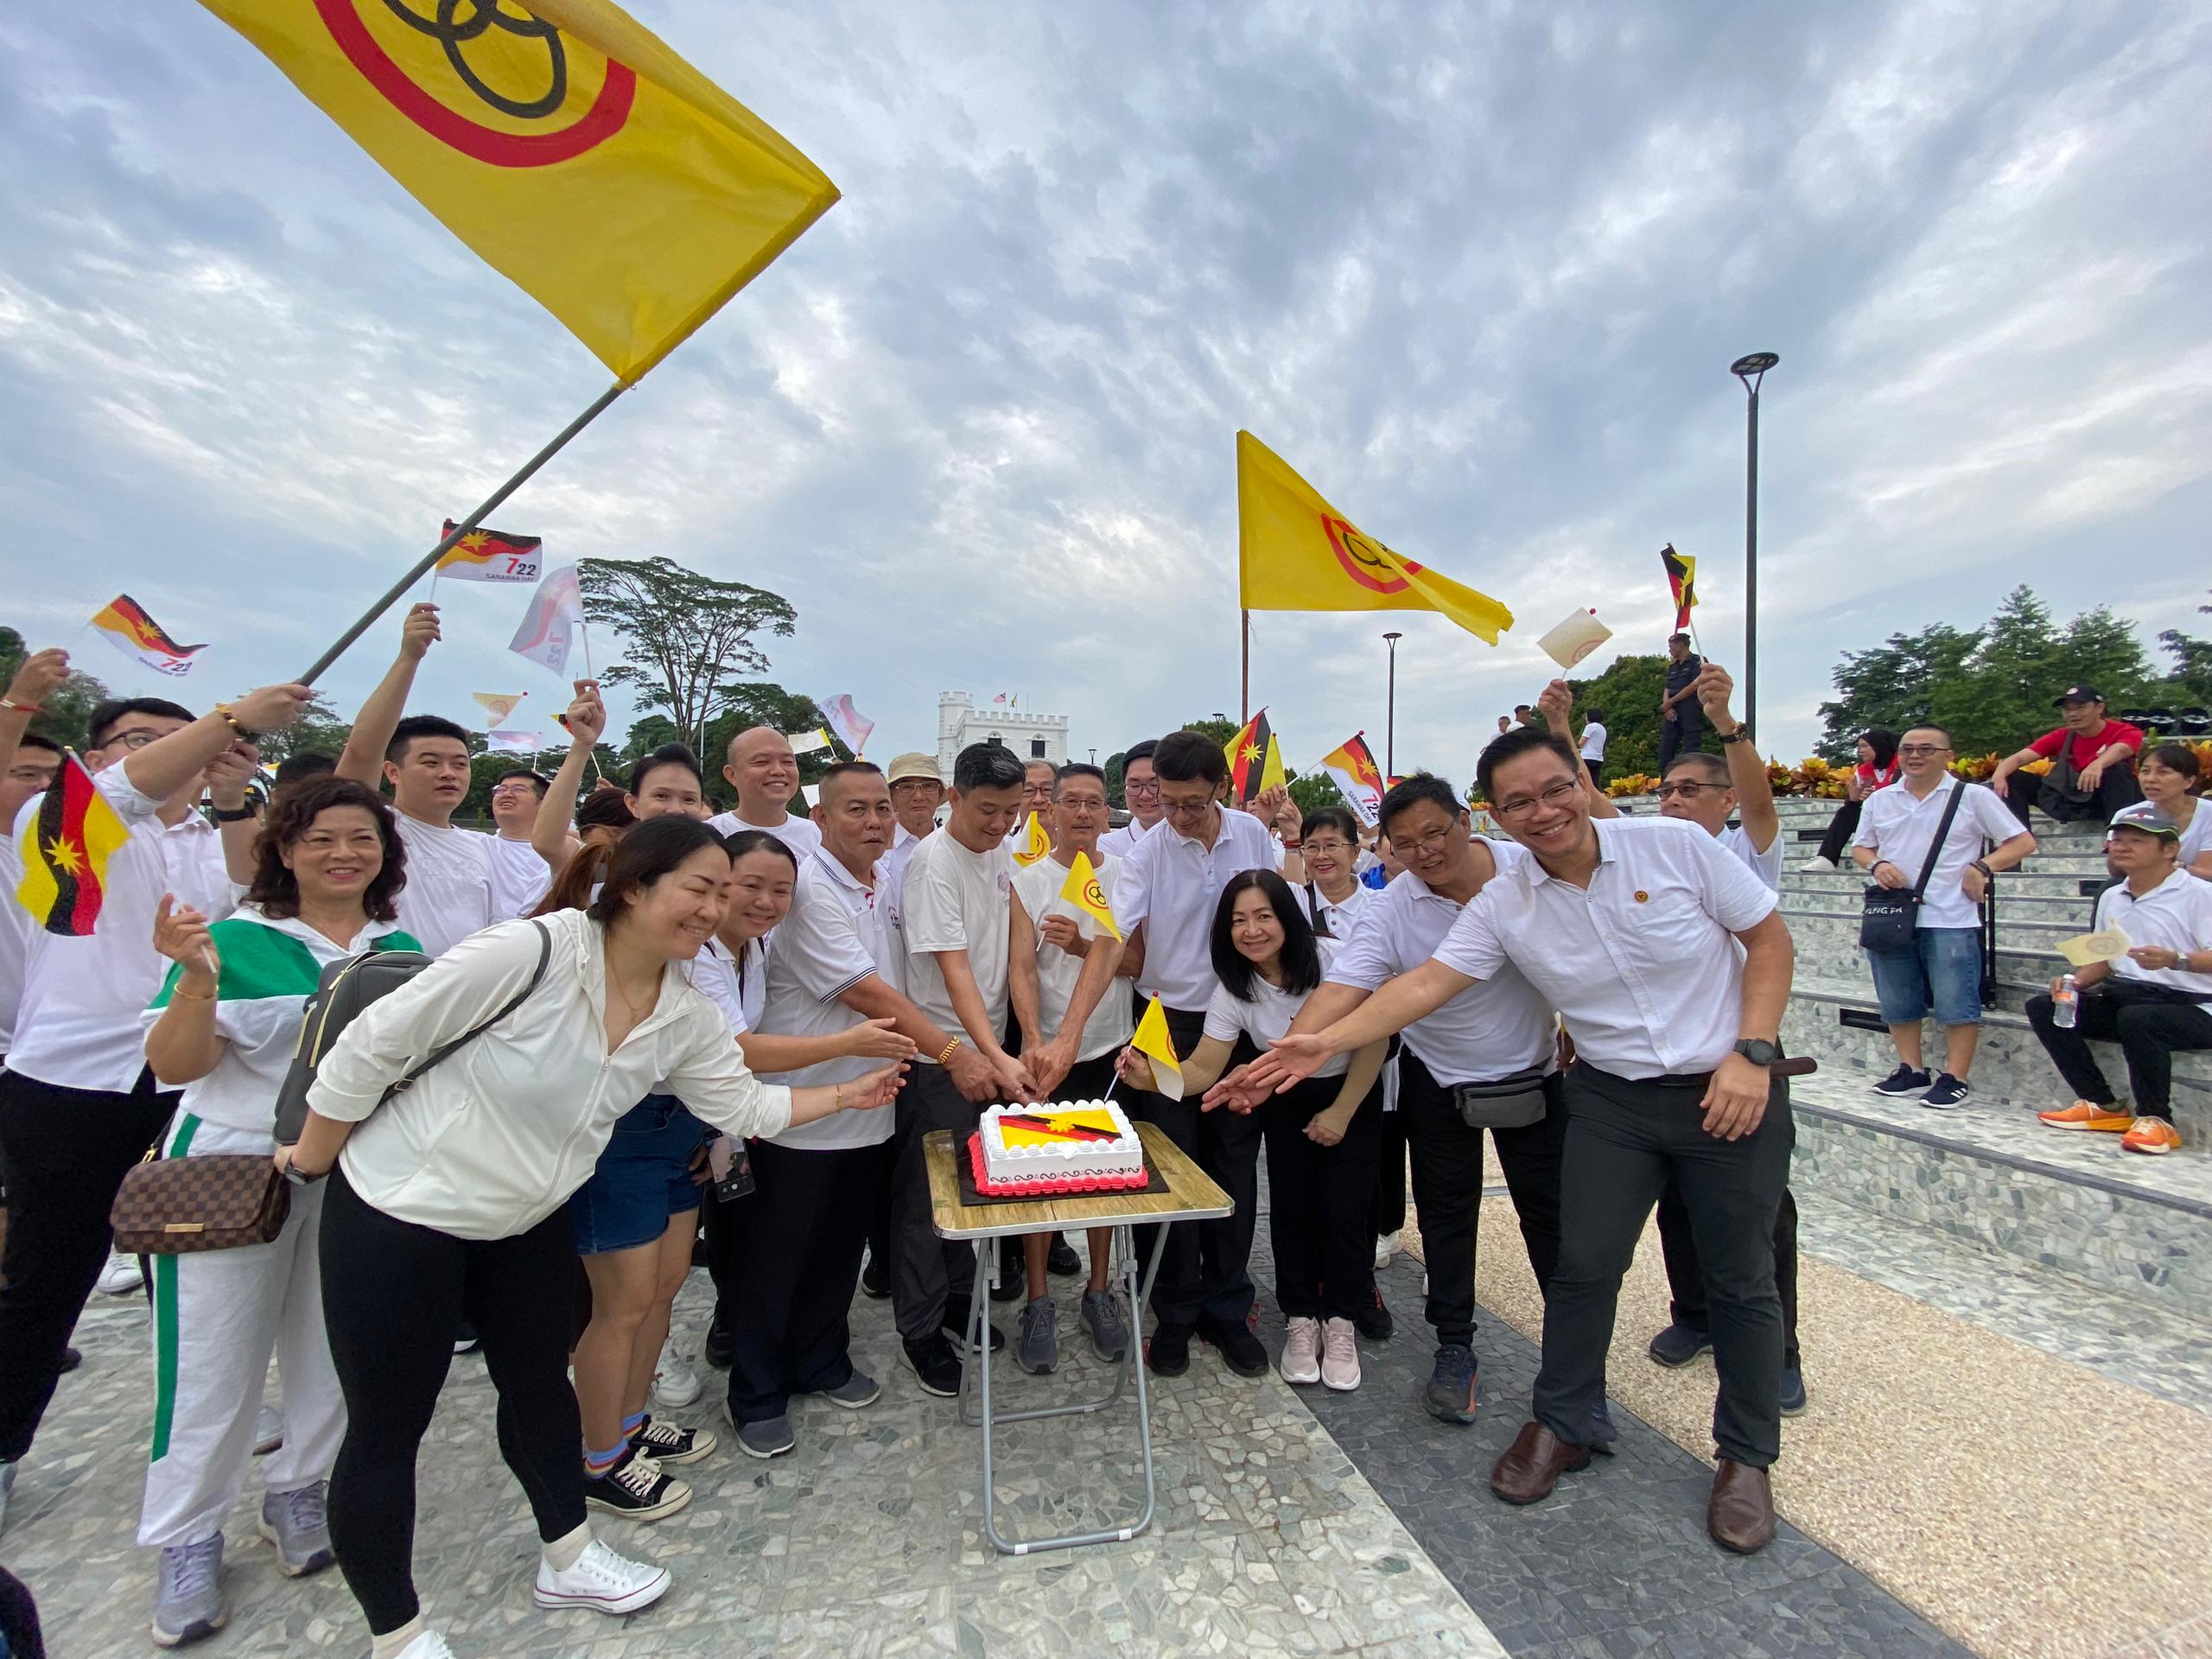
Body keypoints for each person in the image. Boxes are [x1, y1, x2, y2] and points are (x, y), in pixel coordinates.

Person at [290, 818, 901, 1659]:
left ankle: (568, 1555)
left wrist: (849, 1095)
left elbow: (745, 1109)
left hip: (524, 1219)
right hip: (403, 1211)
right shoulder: (532, 952)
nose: (716, 908)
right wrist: (314, 1161)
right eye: (702, 887)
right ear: (635, 885)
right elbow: (370, 1046)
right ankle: (397, 1633)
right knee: (389, 1428)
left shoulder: (681, 1013)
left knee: (541, 1389)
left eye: (725, 893)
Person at [1251, 725, 1797, 1554]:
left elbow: (1768, 938)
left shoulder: (1674, 845)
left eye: (1554, 790)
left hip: (1727, 1085)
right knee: (1581, 1264)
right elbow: (1426, 984)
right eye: (1520, 803)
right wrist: (1318, 1041)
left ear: (1581, 781)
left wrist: (1754, 1050)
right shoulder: (1505, 901)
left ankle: (1748, 1456)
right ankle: (1566, 1419)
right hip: (1612, 1098)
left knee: (1739, 1275)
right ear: (1499, 816)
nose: (1542, 813)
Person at [0, 681, 308, 1534]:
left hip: (191, 1075)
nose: (177, 751)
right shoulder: (59, 826)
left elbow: (257, 889)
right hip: (75, 1082)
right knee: (47, 1274)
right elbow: (126, 791)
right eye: (141, 738)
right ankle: (4, 1442)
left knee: (208, 1255)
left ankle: (221, 1411)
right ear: (97, 756)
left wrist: (234, 791)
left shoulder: (206, 841)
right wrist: (234, 718)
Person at [136, 777, 417, 1645]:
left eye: (362, 839)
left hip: (350, 1171)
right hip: (229, 1173)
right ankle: (186, 1536)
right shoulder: (232, 939)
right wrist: (193, 979)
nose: (344, 854)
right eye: (323, 838)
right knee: (214, 1358)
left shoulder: (399, 943)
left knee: (333, 1345)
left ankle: (300, 1489)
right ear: (284, 850)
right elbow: (177, 1066)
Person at [1215, 775, 1563, 1422]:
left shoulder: (1526, 872)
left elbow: (1432, 984)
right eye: (1405, 842)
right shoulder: (1390, 908)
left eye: (1435, 832)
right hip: (1436, 1075)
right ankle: (1453, 1347)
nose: (1424, 851)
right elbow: (1352, 989)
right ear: (1390, 848)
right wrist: (1291, 1051)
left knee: (1552, 1222)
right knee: (1443, 1218)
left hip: (1531, 1073)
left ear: (1467, 819)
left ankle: (1572, 1368)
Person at [715, 779, 925, 1453]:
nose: (873, 822)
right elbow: (867, 994)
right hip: (797, 1108)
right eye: (856, 809)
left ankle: (822, 1359)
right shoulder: (807, 890)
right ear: (821, 817)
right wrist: (955, 1052)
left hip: (868, 1102)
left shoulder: (885, 880)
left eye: (882, 809)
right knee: (776, 1256)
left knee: (838, 1249)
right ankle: (757, 1391)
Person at [550, 738, 724, 1522]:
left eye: (691, 800)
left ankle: (625, 1421)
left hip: (678, 1122)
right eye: (663, 798)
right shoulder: (576, 932)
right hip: (616, 1126)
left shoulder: (695, 936)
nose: (678, 810)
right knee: (616, 1305)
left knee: (659, 1290)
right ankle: (598, 1458)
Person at [1137, 874, 1384, 1390]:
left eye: (1263, 916)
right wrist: (1156, 1077)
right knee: (1292, 1209)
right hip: (1283, 1095)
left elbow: (1373, 1041)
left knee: (1344, 1211)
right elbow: (1205, 1068)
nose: (1251, 931)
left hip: (1350, 1093)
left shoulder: (1335, 961)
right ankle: (1300, 1320)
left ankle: (1339, 1323)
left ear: (1287, 918)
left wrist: (1340, 1112)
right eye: (1238, 921)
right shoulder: (1234, 988)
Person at [1645, 666, 1804, 1414]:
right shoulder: (1651, 855)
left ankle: (1778, 1352)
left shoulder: (1748, 851)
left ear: (1725, 803)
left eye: (1690, 791)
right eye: (1667, 791)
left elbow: (1766, 801)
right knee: (1678, 1203)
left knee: (1758, 1214)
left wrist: (1726, 723)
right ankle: (1695, 1316)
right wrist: (1556, 733)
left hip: (1745, 1058)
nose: (1674, 801)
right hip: (1671, 1066)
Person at [1110, 731, 1279, 1378]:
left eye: (1190, 802)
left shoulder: (1251, 836)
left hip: (1238, 1018)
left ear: (1221, 790)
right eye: (1164, 798)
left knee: (1236, 1166)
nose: (1175, 814)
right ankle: (1175, 1310)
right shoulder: (1148, 852)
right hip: (1167, 1021)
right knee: (1170, 1166)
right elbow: (1111, 940)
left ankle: (1229, 1307)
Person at [892, 743, 1035, 1378]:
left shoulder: (999, 853)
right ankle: (920, 1330)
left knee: (971, 1191)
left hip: (988, 1049)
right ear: (953, 799)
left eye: (1010, 812)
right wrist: (992, 1054)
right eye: (986, 811)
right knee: (928, 1203)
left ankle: (956, 1301)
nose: (1000, 825)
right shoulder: (932, 864)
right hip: (943, 1054)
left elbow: (1010, 956)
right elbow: (954, 973)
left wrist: (1016, 1043)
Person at [1005, 764, 1135, 1374]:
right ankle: (1037, 1300)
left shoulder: (1124, 875)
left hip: (1108, 1046)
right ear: (1049, 810)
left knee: (1103, 1177)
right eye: (1072, 802)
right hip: (1044, 1054)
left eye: (1094, 803)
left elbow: (1133, 957)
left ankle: (1099, 1290)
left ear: (1106, 815)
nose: (1083, 813)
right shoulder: (1026, 880)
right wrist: (1035, 1040)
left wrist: (1084, 945)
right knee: (1040, 1178)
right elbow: (1021, 969)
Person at [1853, 723, 2037, 1108]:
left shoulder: (1970, 796)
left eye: (1926, 749)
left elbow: (2022, 842)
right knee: (1897, 997)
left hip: (1950, 914)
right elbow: (1862, 848)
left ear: (1947, 755)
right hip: (1895, 912)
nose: (1915, 756)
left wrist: (1982, 867)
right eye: (1907, 749)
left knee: (1957, 999)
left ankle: (1955, 1076)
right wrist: (1876, 865)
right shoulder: (1880, 800)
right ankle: (1912, 1068)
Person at [2027, 804, 2212, 1155]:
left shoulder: (2201, 895)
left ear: (2169, 849)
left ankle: (2158, 1119)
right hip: (2129, 995)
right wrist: (2073, 982)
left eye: (2137, 841)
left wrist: (2177, 959)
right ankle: (2102, 1104)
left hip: (2195, 1005)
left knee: (2139, 1018)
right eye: (2118, 839)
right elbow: (2105, 958)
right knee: (2045, 1006)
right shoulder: (2113, 895)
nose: (2122, 846)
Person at [1278, 805, 1399, 1332]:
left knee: (1365, 1173)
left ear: (1357, 850)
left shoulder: (1383, 906)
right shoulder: (1292, 907)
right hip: (1303, 1053)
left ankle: (1358, 1282)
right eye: (1313, 847)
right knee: (1302, 1185)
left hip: (1375, 1050)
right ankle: (1311, 1292)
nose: (1322, 856)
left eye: (1333, 845)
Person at [334, 607, 496, 960]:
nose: (448, 773)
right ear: (392, 772)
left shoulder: (483, 847)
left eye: (459, 764)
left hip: (463, 999)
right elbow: (363, 750)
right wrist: (409, 658)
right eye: (431, 762)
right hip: (386, 987)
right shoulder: (376, 827)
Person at [1991, 684, 2146, 829]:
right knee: (2012, 777)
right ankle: (2018, 838)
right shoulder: (2062, 735)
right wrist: (2000, 773)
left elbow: (2122, 749)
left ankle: (2116, 833)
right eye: (2067, 709)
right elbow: (2019, 758)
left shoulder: (2125, 731)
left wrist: (2098, 764)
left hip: (2111, 799)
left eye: (2080, 707)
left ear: (2099, 707)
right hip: (2073, 798)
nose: (2073, 714)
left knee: (2116, 769)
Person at [709, 727, 823, 858]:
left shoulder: (821, 837)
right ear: (732, 775)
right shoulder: (709, 836)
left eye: (788, 762)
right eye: (762, 762)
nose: (778, 771)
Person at [1798, 730, 1899, 874]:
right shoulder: (1863, 770)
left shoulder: (1902, 764)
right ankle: (1827, 858)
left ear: (1879, 746)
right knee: (1847, 812)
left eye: (1864, 746)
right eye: (1859, 747)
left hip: (1899, 815)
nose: (1860, 751)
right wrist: (1854, 799)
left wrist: (1878, 796)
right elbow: (1859, 802)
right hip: (1874, 815)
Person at [2134, 743, 2212, 880]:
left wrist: (2174, 867)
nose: (2150, 779)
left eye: (2163, 772)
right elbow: (2117, 870)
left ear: (2189, 781)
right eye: (2145, 771)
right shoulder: (2128, 815)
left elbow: (2208, 874)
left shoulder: (2208, 814)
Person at [485, 769, 552, 920]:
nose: (506, 794)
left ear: (544, 802)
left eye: (519, 789)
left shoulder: (560, 853)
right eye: (500, 789)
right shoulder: (475, 844)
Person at [1098, 739, 1161, 860]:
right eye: (1135, 786)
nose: (1145, 795)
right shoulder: (1108, 847)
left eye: (1154, 785)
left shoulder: (1197, 842)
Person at [1577, 708, 1607, 785]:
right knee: (1594, 782)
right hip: (1598, 758)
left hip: (1587, 758)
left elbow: (1581, 743)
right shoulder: (1602, 728)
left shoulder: (1590, 727)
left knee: (1585, 782)